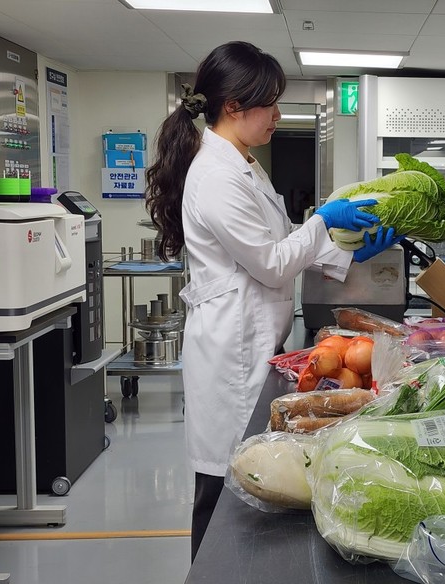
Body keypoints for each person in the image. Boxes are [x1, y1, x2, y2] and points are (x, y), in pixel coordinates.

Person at [144, 41, 403, 561]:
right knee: (219, 491)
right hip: (231, 353)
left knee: (249, 479)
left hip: (255, 341)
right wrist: (323, 220)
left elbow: (280, 242)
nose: (278, 116)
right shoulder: (216, 175)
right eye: (270, 104)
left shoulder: (244, 164)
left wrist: (348, 253)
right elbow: (270, 262)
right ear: (233, 106)